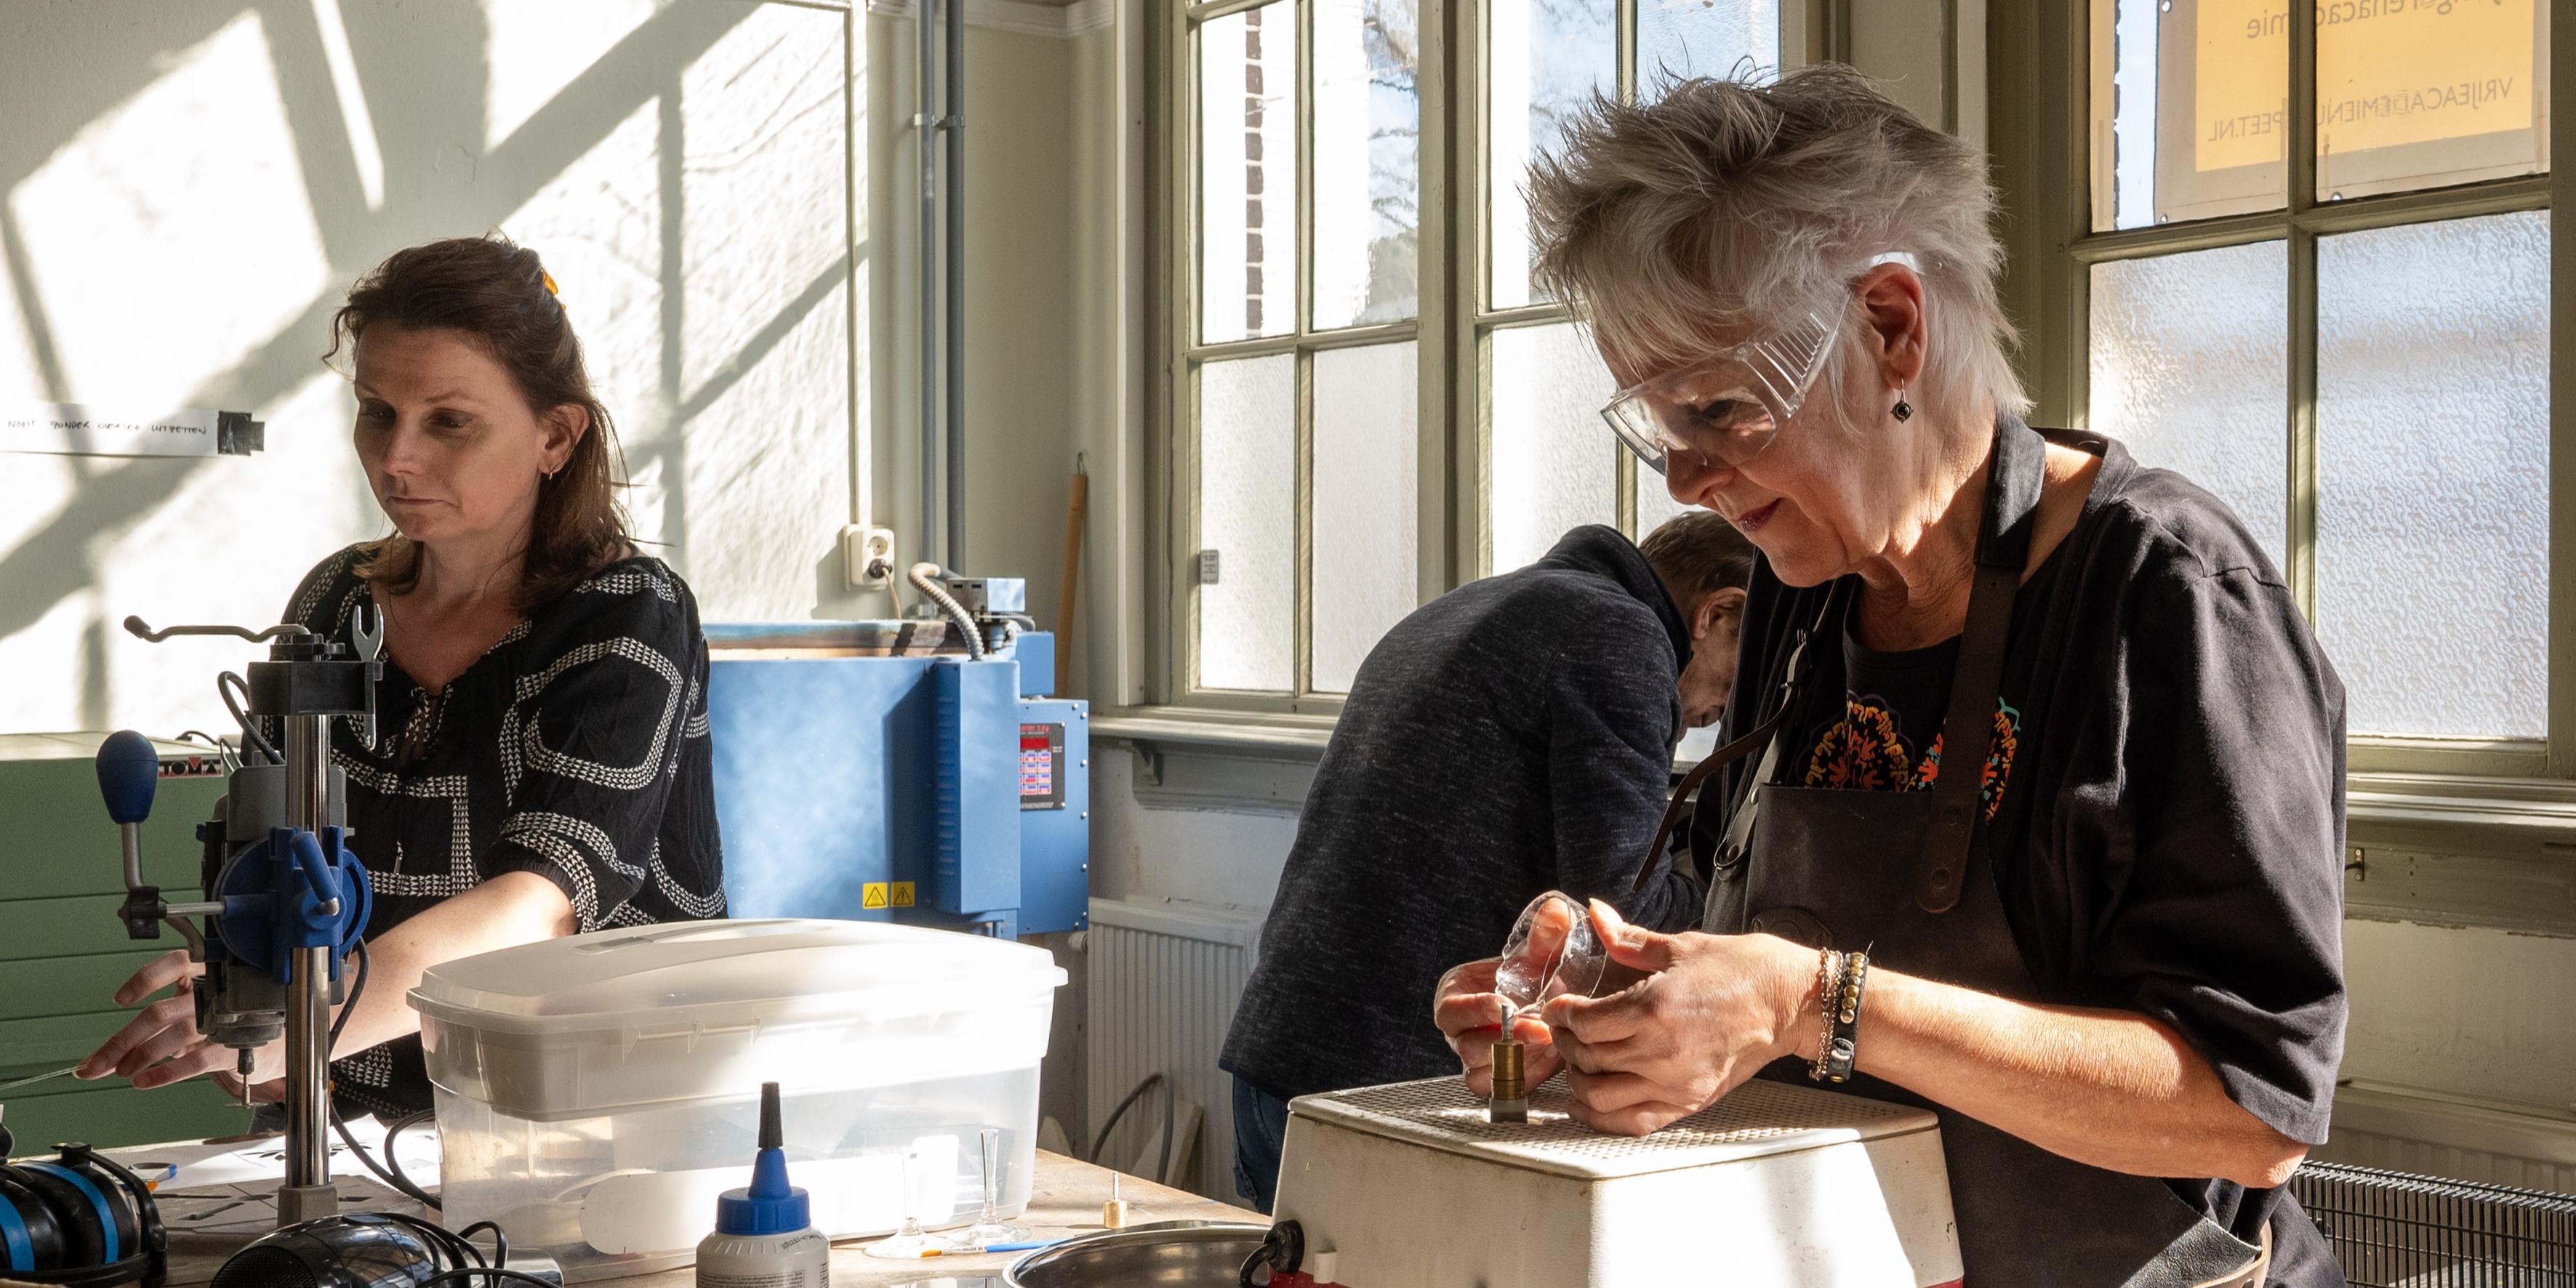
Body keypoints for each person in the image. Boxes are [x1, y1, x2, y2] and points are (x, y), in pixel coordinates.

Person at [1432, 68, 2348, 1288]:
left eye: (1719, 409)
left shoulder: (2165, 595)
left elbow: (2250, 1113)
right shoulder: (1797, 603)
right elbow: (1730, 957)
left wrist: (1814, 1002)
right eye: (1656, 427)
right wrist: (1605, 996)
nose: (1682, 481)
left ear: (1890, 327)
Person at [76, 236, 727, 1121]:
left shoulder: (624, 612)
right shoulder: (334, 597)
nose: (396, 457)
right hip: (352, 1112)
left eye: (449, 420)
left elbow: (540, 901)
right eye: (376, 411)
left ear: (555, 434)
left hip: (589, 1113)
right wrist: (250, 985)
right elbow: (280, 853)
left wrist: (310, 1015)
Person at [1219, 513, 1757, 1213]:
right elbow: (1625, 919)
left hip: (1281, 1063)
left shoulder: (1473, 604)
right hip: (1386, 1094)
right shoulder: (1619, 635)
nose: (1717, 712)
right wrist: (1740, 895)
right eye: (1733, 687)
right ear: (1718, 613)